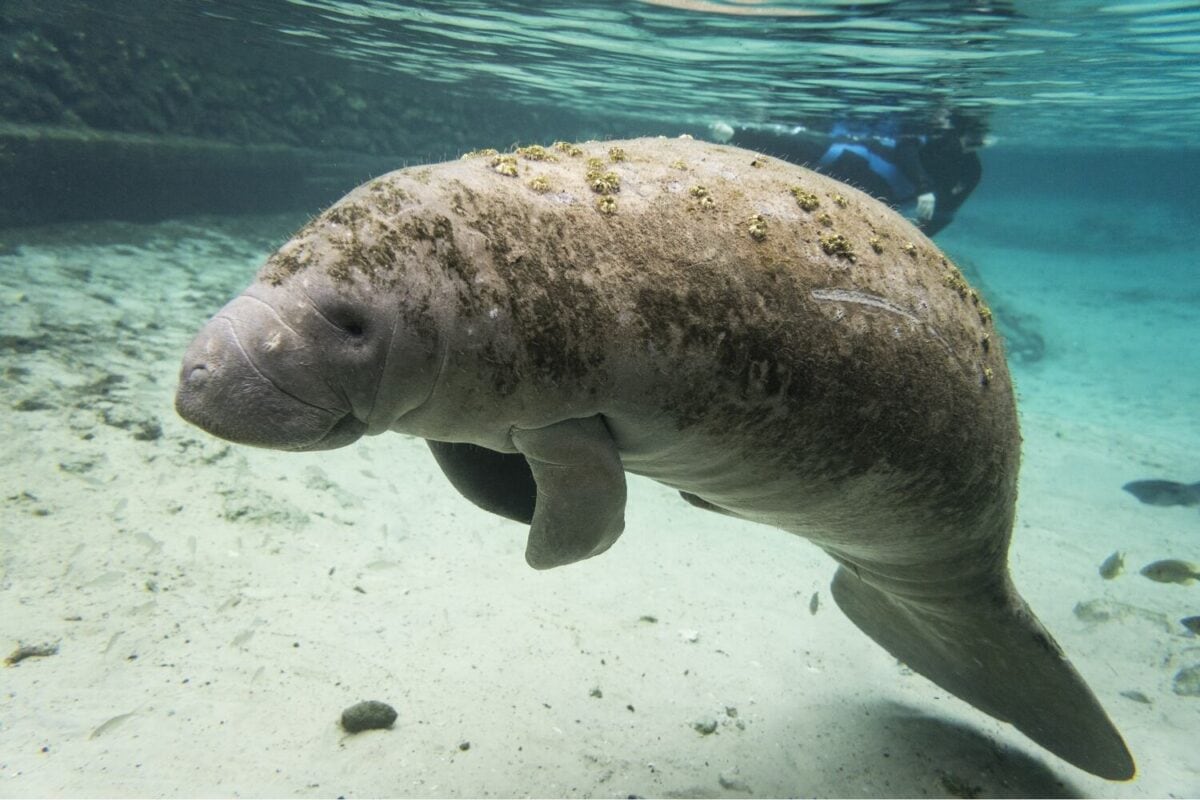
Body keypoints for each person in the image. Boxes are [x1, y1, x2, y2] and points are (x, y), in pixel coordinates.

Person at [711, 112, 987, 236]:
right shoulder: (941, 137)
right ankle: (738, 133)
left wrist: (917, 241)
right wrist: (923, 187)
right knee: (810, 151)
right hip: (866, 162)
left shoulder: (972, 170)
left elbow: (946, 214)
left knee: (811, 161)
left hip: (883, 196)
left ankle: (740, 135)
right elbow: (906, 147)